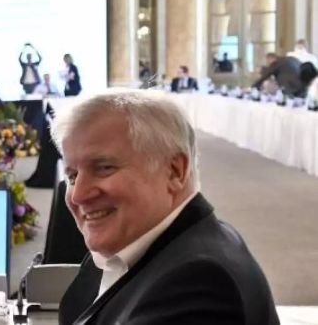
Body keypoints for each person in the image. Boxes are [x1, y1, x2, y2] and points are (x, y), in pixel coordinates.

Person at [52, 90, 278, 325]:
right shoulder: (130, 244)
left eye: (104, 168)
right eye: (72, 175)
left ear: (174, 171)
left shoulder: (198, 284)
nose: (78, 194)